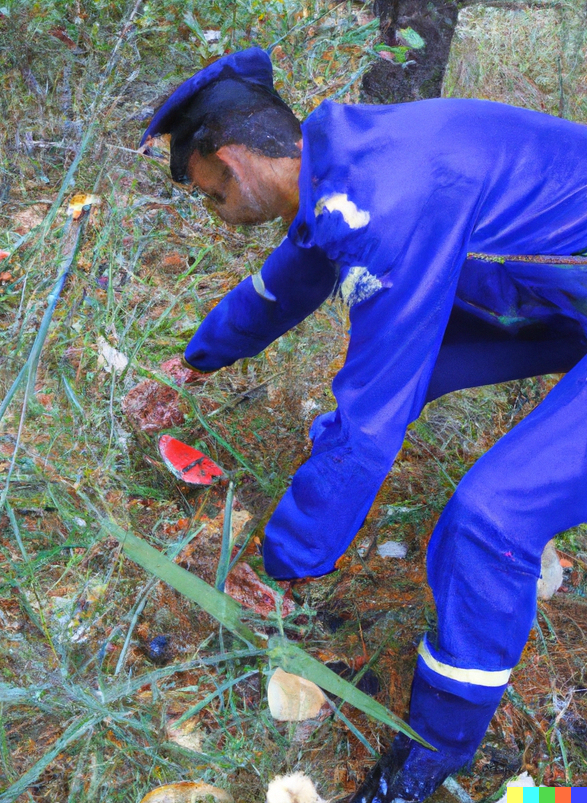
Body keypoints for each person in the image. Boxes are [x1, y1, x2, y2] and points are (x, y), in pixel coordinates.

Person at [138, 46, 587, 802]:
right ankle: (326, 515)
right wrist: (191, 364)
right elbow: (277, 291)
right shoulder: (343, 172)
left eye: (206, 192)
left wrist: (279, 565)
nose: (211, 213)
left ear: (233, 161)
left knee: (489, 517)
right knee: (403, 376)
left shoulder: (387, 198)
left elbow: (368, 425)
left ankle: (435, 749)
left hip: (559, 288)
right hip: (557, 287)